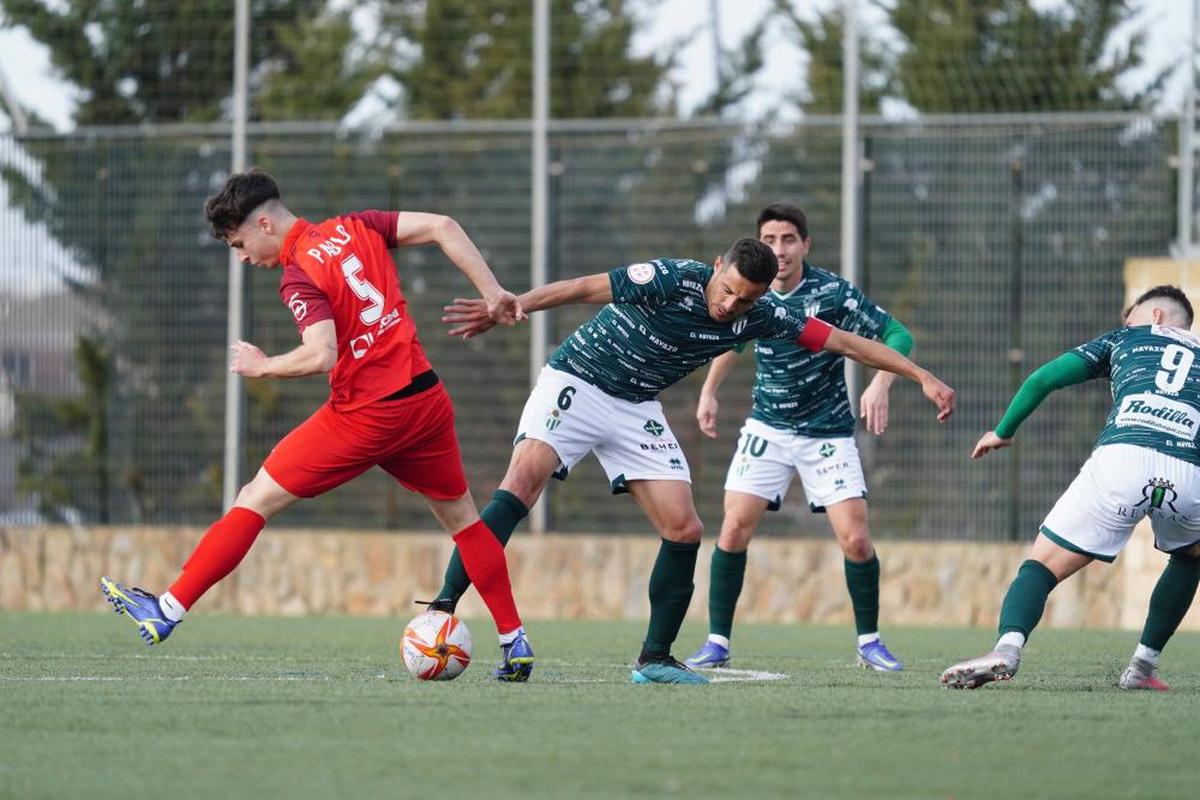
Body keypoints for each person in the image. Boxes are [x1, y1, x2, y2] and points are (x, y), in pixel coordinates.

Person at [430, 238, 955, 683]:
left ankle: (655, 658)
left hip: (636, 408)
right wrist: (513, 303)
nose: (731, 305)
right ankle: (441, 610)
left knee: (684, 529)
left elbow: (845, 343)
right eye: (727, 289)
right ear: (717, 266)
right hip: (579, 379)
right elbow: (583, 287)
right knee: (521, 486)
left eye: (745, 300)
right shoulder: (670, 278)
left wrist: (921, 376)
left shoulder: (765, 315)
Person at [100, 169, 536, 682]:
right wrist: (492, 292)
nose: (243, 257)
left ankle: (167, 610)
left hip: (367, 413)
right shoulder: (358, 226)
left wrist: (264, 366)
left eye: (240, 243)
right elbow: (442, 225)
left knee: (254, 497)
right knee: (465, 523)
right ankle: (514, 641)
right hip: (424, 402)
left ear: (264, 223)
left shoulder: (300, 272)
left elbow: (322, 354)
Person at [684, 203, 915, 673]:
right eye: (769, 239)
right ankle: (716, 642)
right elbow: (735, 340)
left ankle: (869, 642)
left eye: (788, 239)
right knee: (731, 529)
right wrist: (709, 390)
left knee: (855, 540)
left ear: (805, 244)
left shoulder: (832, 293)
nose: (779, 249)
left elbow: (897, 334)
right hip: (767, 428)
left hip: (826, 432)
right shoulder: (753, 292)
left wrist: (881, 382)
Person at [940, 285, 1200, 690]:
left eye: (1128, 318)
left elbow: (1043, 379)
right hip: (1189, 470)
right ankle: (1142, 669)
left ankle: (1007, 648)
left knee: (1041, 565)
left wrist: (1003, 431)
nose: (1124, 325)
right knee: (1190, 557)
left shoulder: (1124, 339)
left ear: (1155, 318)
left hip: (1122, 458)